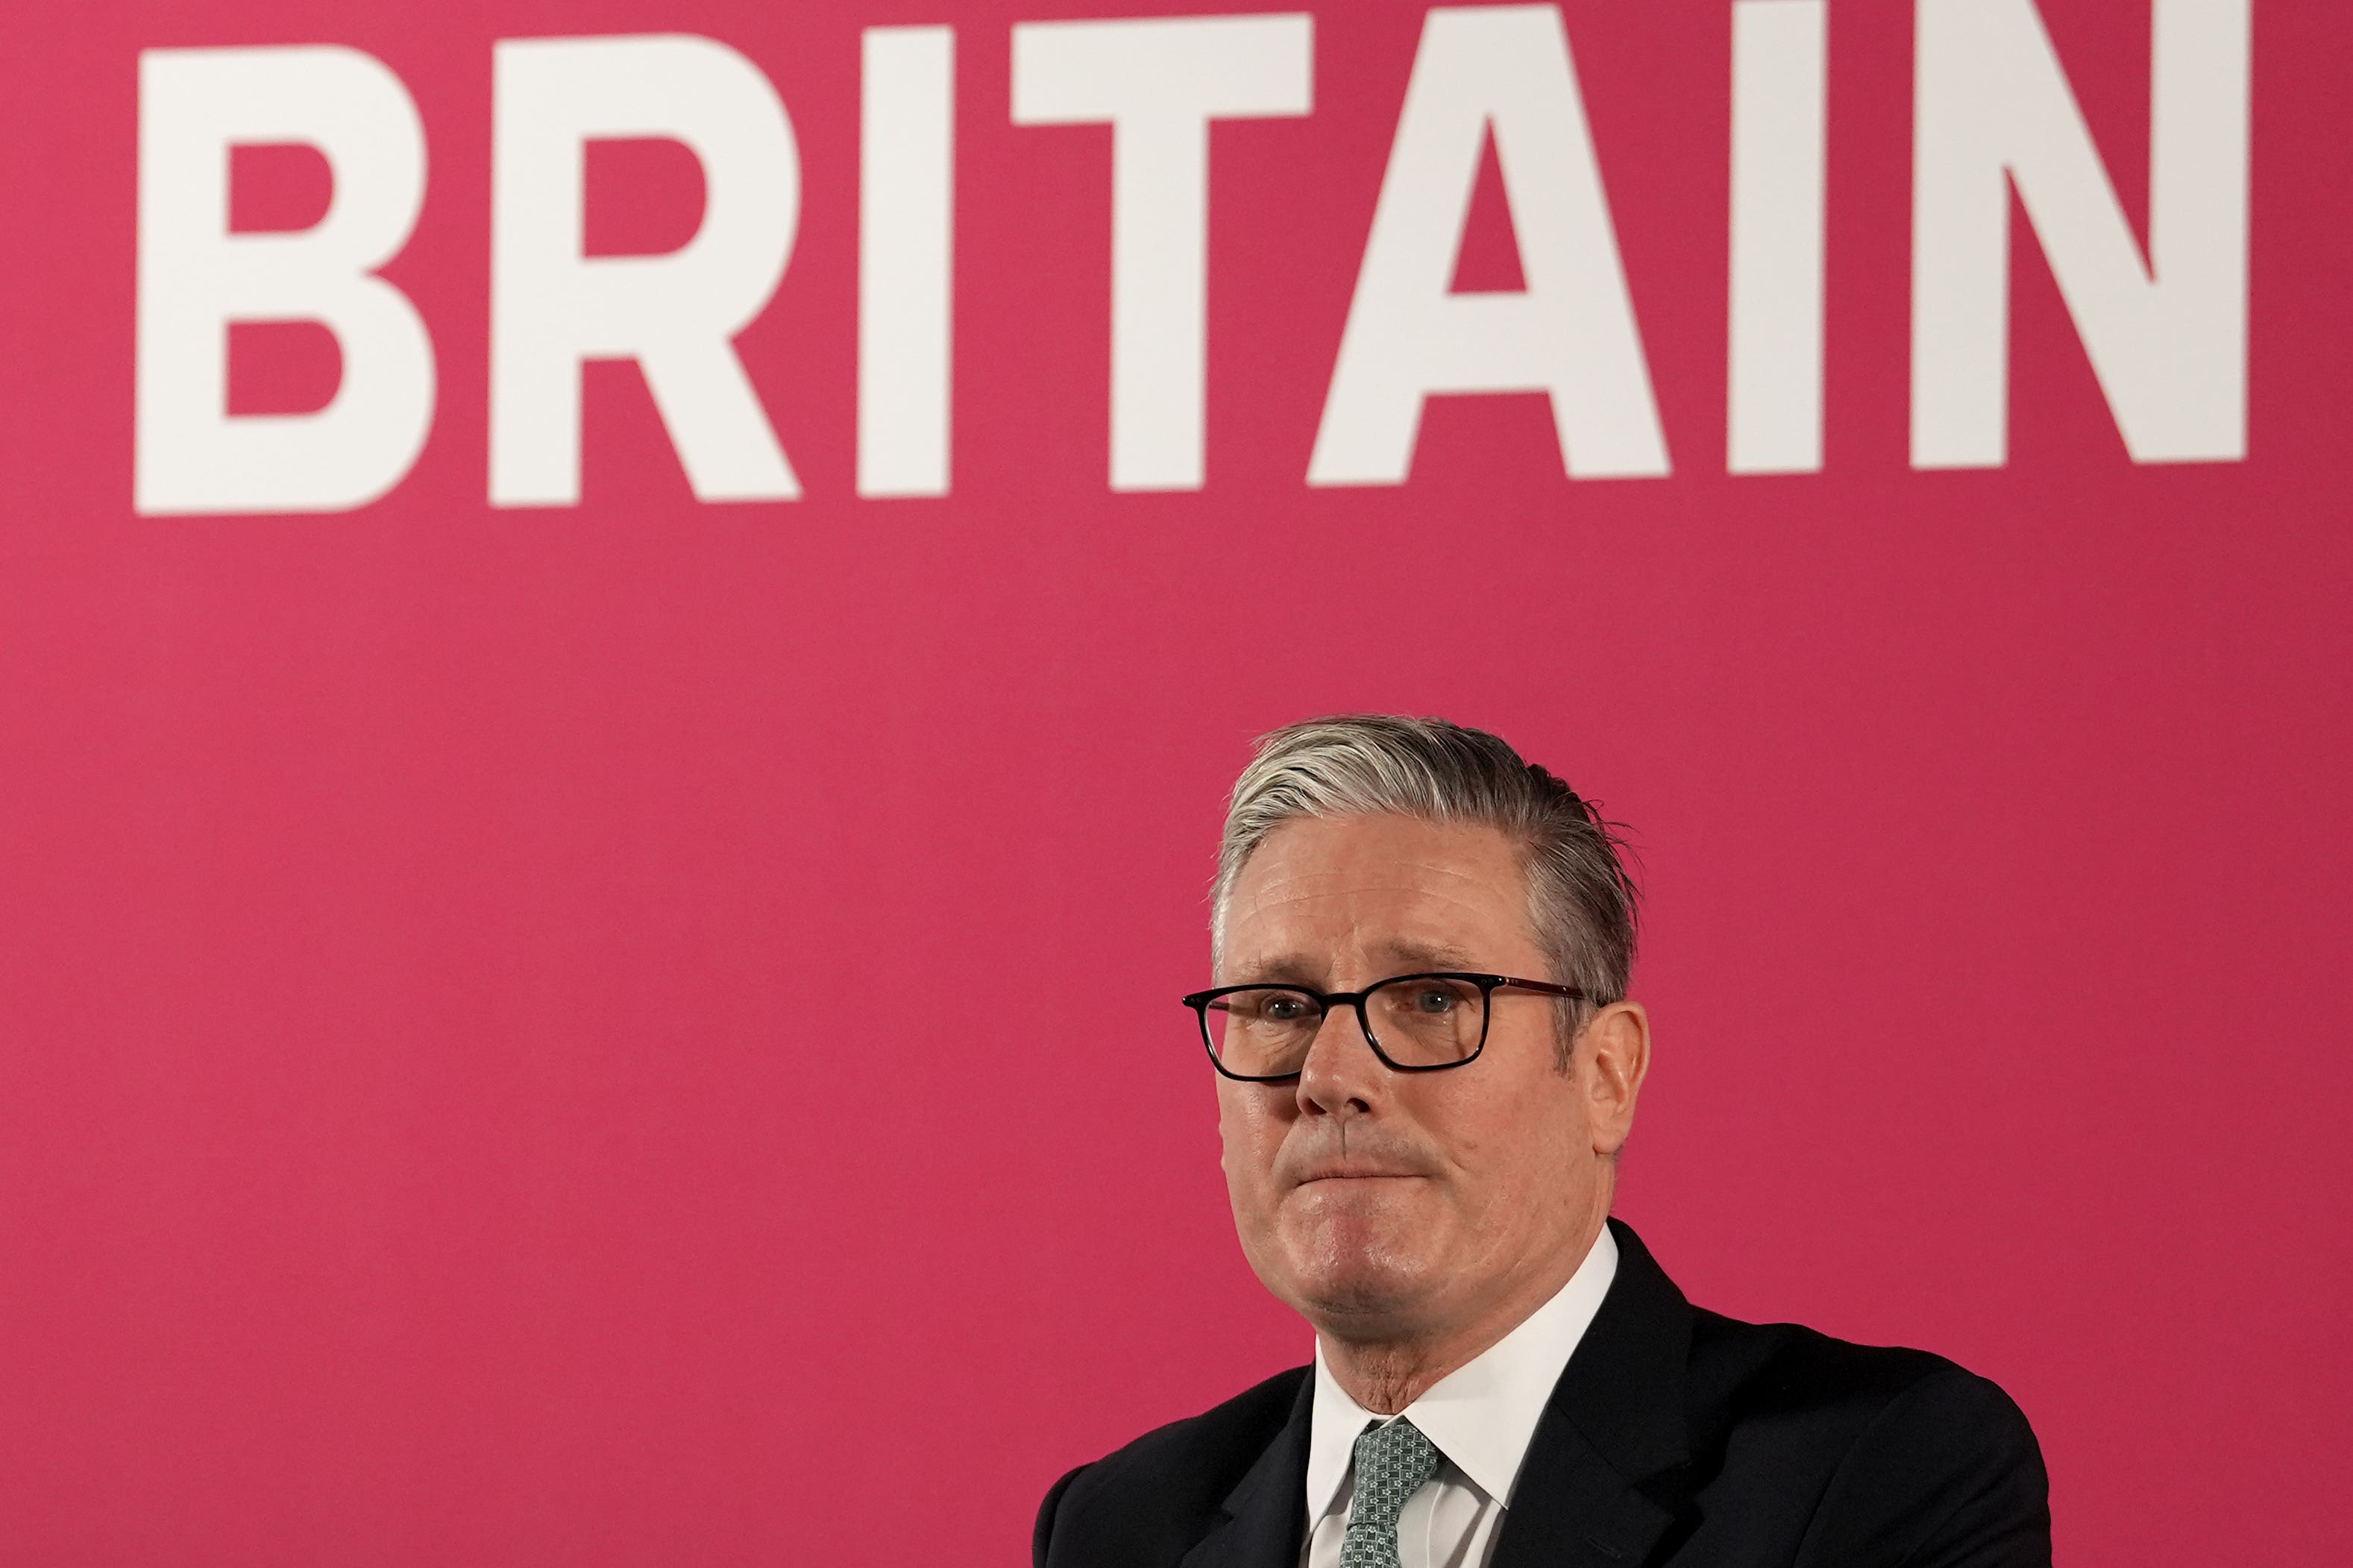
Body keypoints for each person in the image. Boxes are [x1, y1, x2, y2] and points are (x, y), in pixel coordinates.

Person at [1033, 716, 2049, 1568]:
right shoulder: (1121, 1527)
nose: (1332, 1078)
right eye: (1280, 1004)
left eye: (1434, 998)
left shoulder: (1875, 1470)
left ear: (1606, 1076)